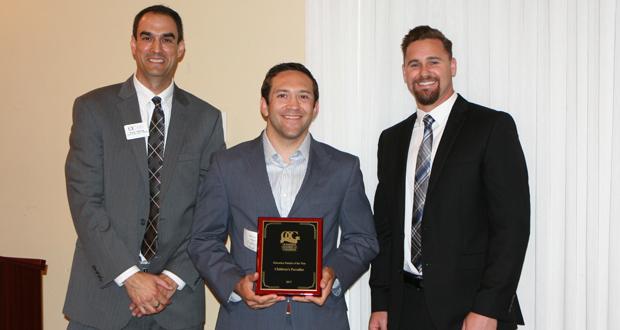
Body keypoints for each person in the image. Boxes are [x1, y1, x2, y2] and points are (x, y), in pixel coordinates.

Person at [63, 5, 225, 330]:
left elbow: (212, 211)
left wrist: (171, 279)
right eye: (147, 37)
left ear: (180, 49)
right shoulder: (93, 109)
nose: (156, 48)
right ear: (133, 44)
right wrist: (131, 277)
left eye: (167, 39)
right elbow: (85, 202)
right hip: (103, 295)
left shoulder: (206, 120)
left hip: (175, 300)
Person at [188, 62, 379, 330]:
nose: (294, 105)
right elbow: (203, 240)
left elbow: (363, 239)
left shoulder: (343, 169)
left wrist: (333, 276)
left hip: (320, 319)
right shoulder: (226, 166)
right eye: (282, 95)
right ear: (264, 106)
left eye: (304, 96)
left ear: (315, 108)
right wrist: (235, 283)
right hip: (247, 319)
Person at [369, 26, 530, 330]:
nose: (424, 72)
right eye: (414, 64)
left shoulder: (491, 127)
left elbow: (512, 227)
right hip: (405, 308)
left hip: (471, 310)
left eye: (434, 61)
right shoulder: (391, 140)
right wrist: (381, 302)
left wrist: (488, 307)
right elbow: (386, 229)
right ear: (404, 72)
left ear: (452, 66)